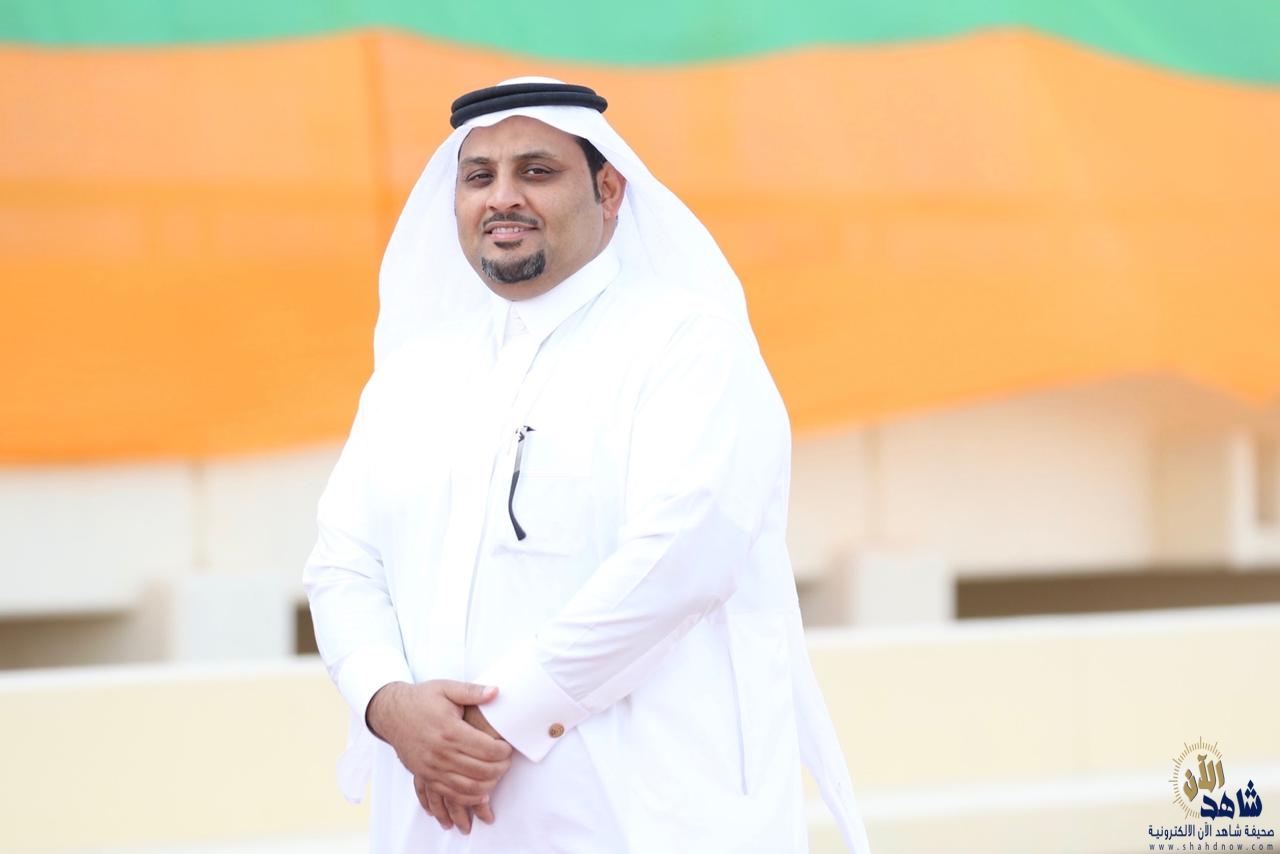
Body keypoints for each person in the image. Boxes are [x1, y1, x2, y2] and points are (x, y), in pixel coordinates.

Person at [304, 77, 871, 853]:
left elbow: (682, 558)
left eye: (536, 171)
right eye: (479, 176)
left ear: (609, 191)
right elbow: (341, 564)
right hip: (440, 824)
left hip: (636, 819)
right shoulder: (414, 375)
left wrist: (499, 720)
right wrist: (388, 703)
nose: (503, 197)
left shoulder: (687, 346)